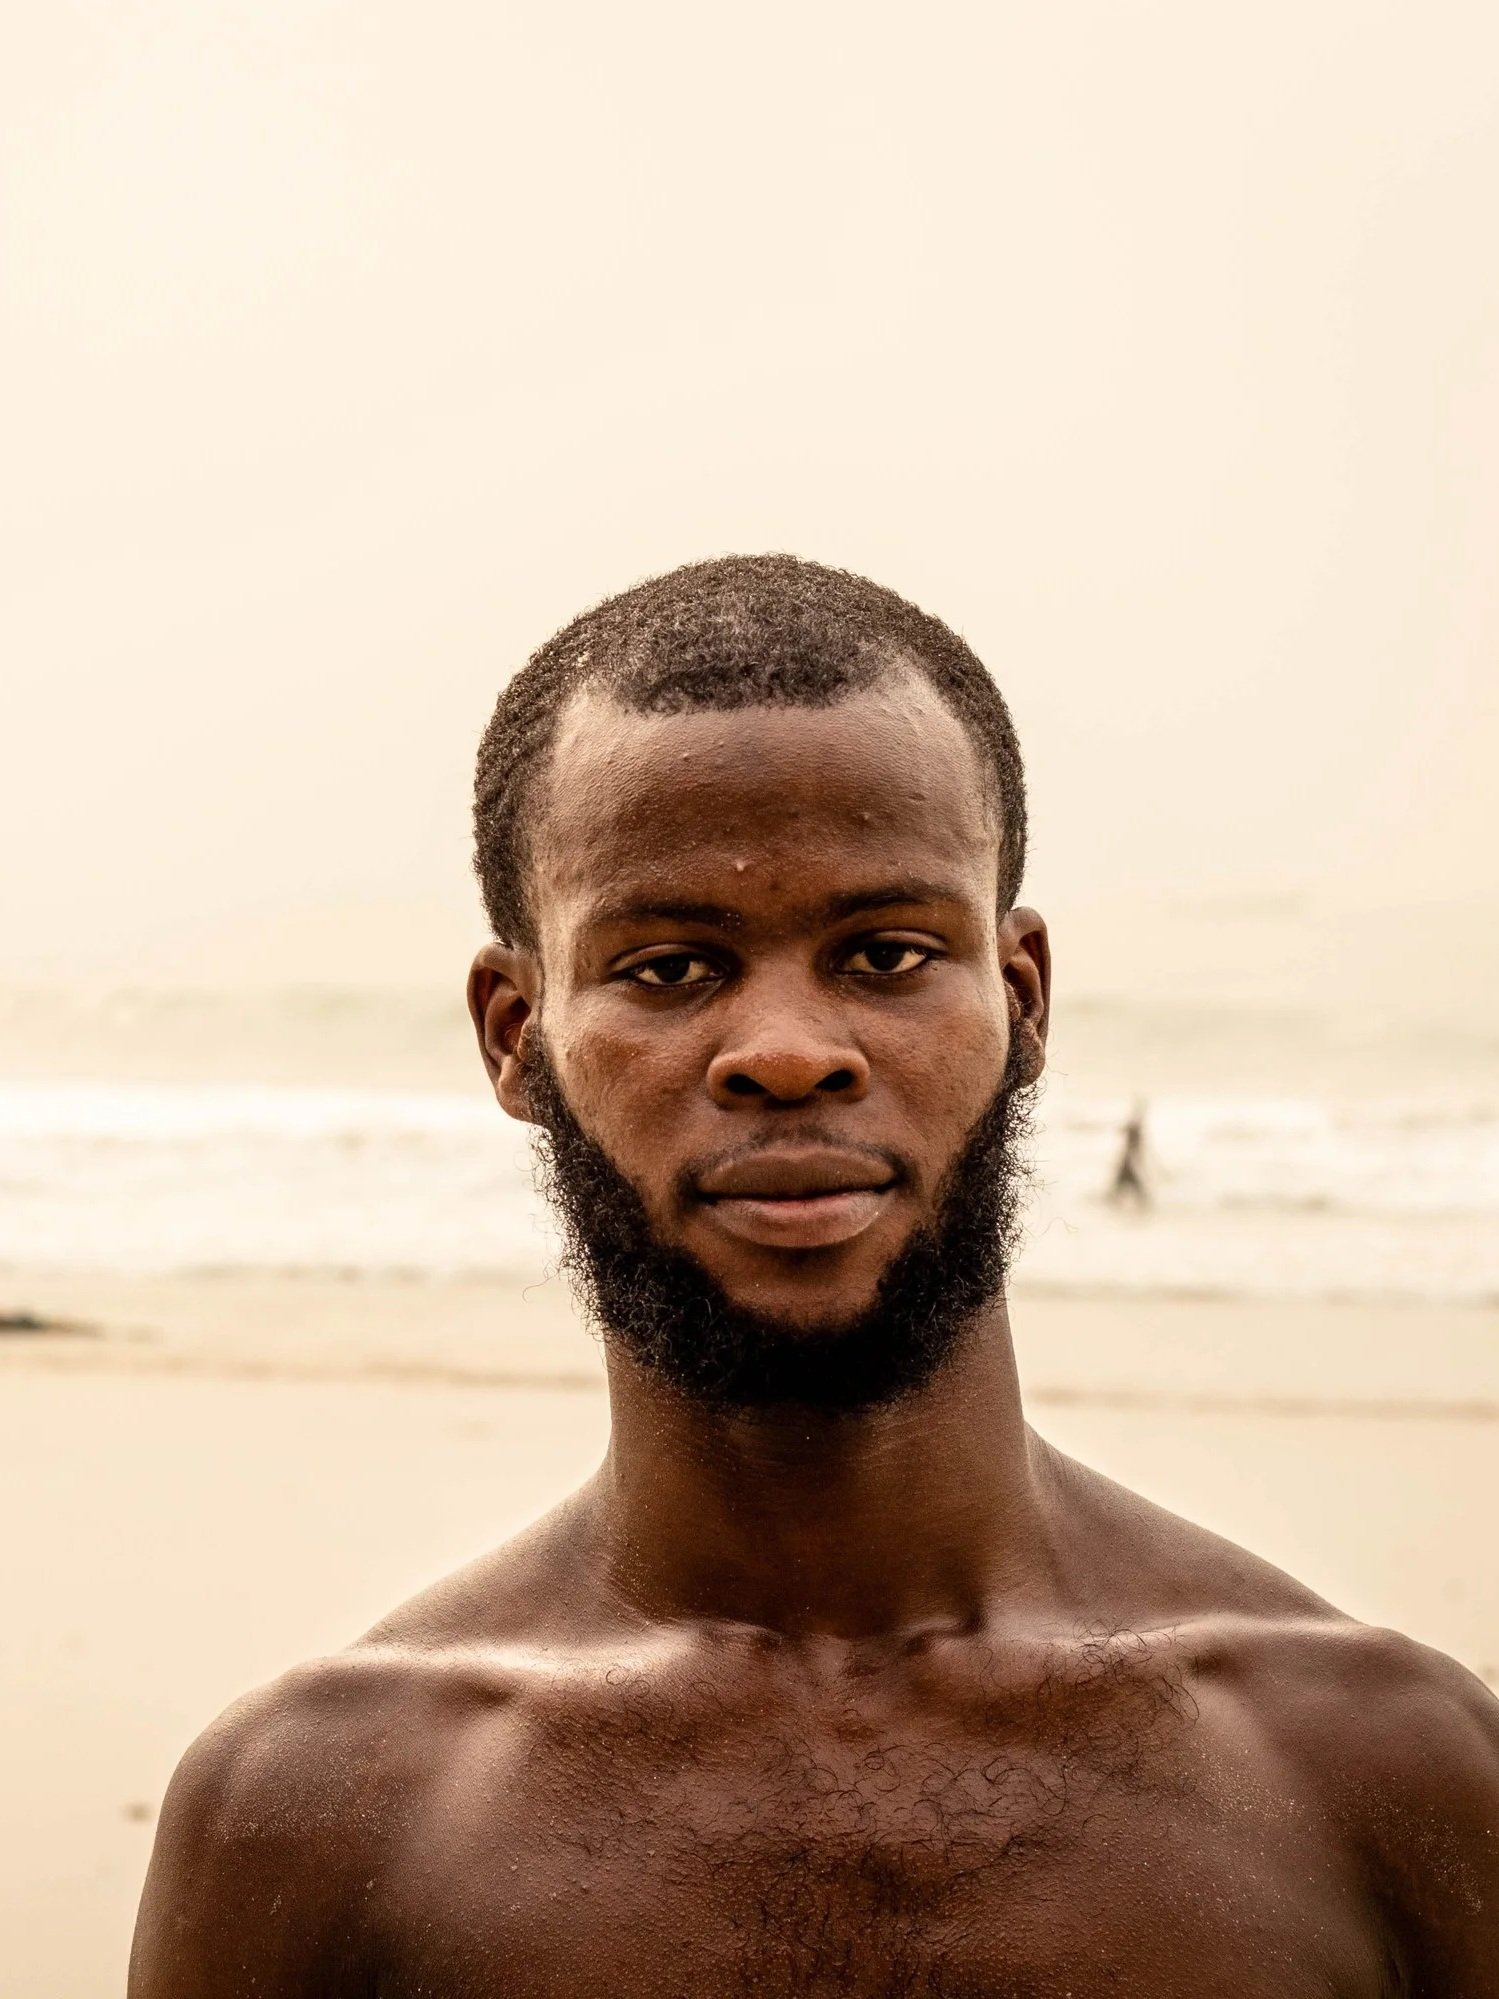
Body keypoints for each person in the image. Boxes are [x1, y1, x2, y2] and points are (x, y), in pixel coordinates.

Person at [131, 556, 1499, 1996]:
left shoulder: (1374, 1769)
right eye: (668, 968)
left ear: (1020, 1000)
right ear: (514, 1032)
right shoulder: (322, 1816)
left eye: (887, 952)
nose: (786, 1049)